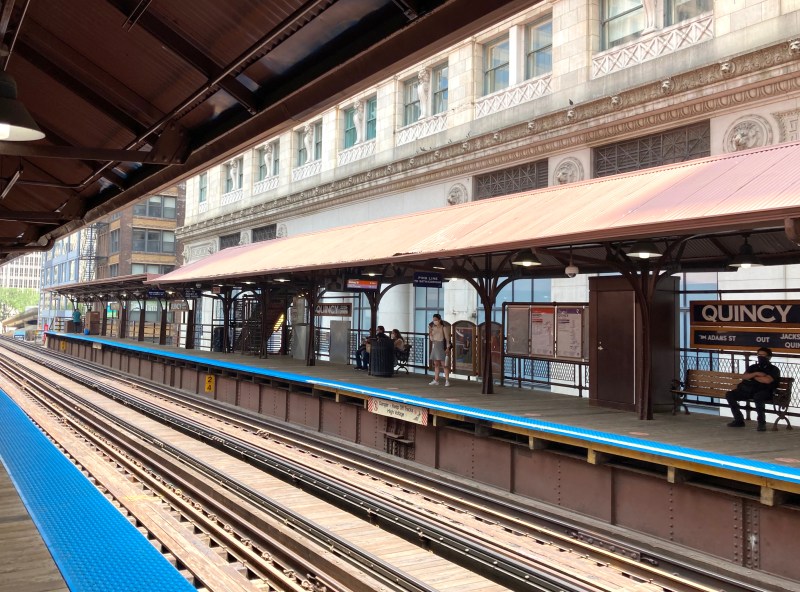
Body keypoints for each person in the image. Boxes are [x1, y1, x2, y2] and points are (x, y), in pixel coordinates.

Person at [726, 347, 780, 432]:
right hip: (749, 390)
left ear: (769, 357)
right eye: (759, 355)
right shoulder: (753, 367)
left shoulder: (773, 369)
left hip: (765, 391)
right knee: (730, 394)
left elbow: (767, 380)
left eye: (763, 355)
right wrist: (756, 374)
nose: (760, 357)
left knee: (758, 397)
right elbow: (744, 376)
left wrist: (752, 377)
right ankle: (739, 420)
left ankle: (761, 423)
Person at [428, 313, 451, 386]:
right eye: (433, 320)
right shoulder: (433, 328)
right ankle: (436, 380)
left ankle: (447, 380)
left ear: (439, 320)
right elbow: (431, 339)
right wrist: (430, 332)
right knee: (436, 364)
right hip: (435, 345)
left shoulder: (443, 327)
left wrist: (447, 348)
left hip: (441, 345)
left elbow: (447, 339)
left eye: (436, 320)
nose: (434, 321)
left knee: (444, 364)